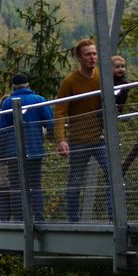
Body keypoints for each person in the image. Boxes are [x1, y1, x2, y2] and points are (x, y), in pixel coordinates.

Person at [55, 38, 112, 222]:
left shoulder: (102, 77)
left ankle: (114, 216)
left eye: (95, 54)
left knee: (113, 174)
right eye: (88, 54)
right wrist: (61, 139)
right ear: (79, 58)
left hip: (99, 137)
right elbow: (60, 111)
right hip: (79, 140)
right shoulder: (70, 82)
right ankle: (73, 219)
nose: (92, 58)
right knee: (75, 181)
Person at [0, 74, 54, 221]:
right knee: (35, 185)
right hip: (34, 149)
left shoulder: (7, 103)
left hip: (13, 152)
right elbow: (50, 122)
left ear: (13, 86)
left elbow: (2, 130)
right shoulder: (38, 100)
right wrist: (51, 136)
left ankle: (19, 218)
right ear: (28, 84)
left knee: (16, 187)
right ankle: (39, 217)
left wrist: (0, 153)